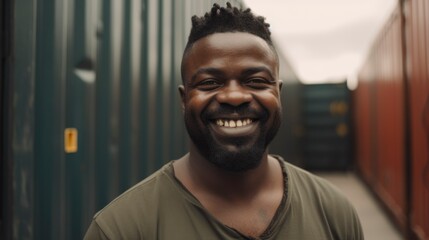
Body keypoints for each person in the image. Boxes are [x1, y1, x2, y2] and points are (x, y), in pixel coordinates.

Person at [84, 3, 363, 239]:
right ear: (184, 100)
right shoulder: (121, 229)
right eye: (210, 82)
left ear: (278, 94)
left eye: (255, 81)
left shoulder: (334, 214)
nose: (233, 96)